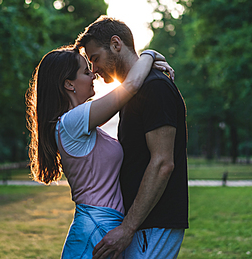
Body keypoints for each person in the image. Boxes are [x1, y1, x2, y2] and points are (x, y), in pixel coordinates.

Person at [26, 44, 172, 259]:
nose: (93, 74)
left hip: (102, 227)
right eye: (86, 72)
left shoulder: (79, 125)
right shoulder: (72, 122)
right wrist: (149, 55)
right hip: (94, 229)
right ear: (69, 84)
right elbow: (130, 86)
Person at [74, 16, 189, 259]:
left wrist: (128, 227)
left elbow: (162, 163)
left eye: (95, 58)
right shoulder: (133, 92)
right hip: (141, 223)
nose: (93, 70)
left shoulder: (154, 87)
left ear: (116, 44)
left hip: (153, 224)